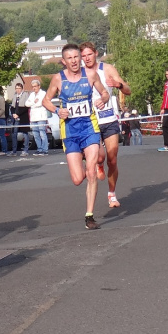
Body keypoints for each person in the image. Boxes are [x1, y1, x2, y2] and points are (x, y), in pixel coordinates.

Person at [43, 43, 109, 230]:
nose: (74, 61)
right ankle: (87, 160)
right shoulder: (58, 79)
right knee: (78, 179)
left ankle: (89, 216)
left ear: (80, 58)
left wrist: (102, 99)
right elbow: (45, 100)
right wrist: (57, 111)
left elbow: (104, 93)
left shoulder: (90, 75)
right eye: (69, 58)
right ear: (64, 61)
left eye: (76, 57)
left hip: (89, 128)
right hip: (70, 132)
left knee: (91, 173)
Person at [79, 42, 130, 209]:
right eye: (83, 56)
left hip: (109, 119)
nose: (86, 58)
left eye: (89, 54)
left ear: (96, 53)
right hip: (90, 122)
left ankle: (112, 194)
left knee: (113, 158)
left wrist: (119, 85)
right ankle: (99, 163)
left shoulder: (107, 69)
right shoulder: (78, 74)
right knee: (99, 158)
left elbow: (128, 90)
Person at [26, 79, 49, 156]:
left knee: (42, 133)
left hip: (41, 117)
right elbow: (26, 104)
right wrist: (33, 102)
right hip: (33, 117)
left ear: (39, 86)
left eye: (35, 86)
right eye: (33, 87)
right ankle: (39, 148)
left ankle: (44, 149)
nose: (34, 88)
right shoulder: (32, 94)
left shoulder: (43, 93)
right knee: (35, 134)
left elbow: (40, 103)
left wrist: (32, 104)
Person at [9, 83, 31, 156]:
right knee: (14, 133)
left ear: (22, 89)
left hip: (23, 116)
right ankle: (14, 151)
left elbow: (26, 106)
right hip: (15, 117)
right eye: (16, 88)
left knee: (25, 133)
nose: (18, 90)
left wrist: (18, 114)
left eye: (19, 88)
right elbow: (12, 107)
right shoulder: (15, 96)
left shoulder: (25, 95)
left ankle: (25, 150)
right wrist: (13, 114)